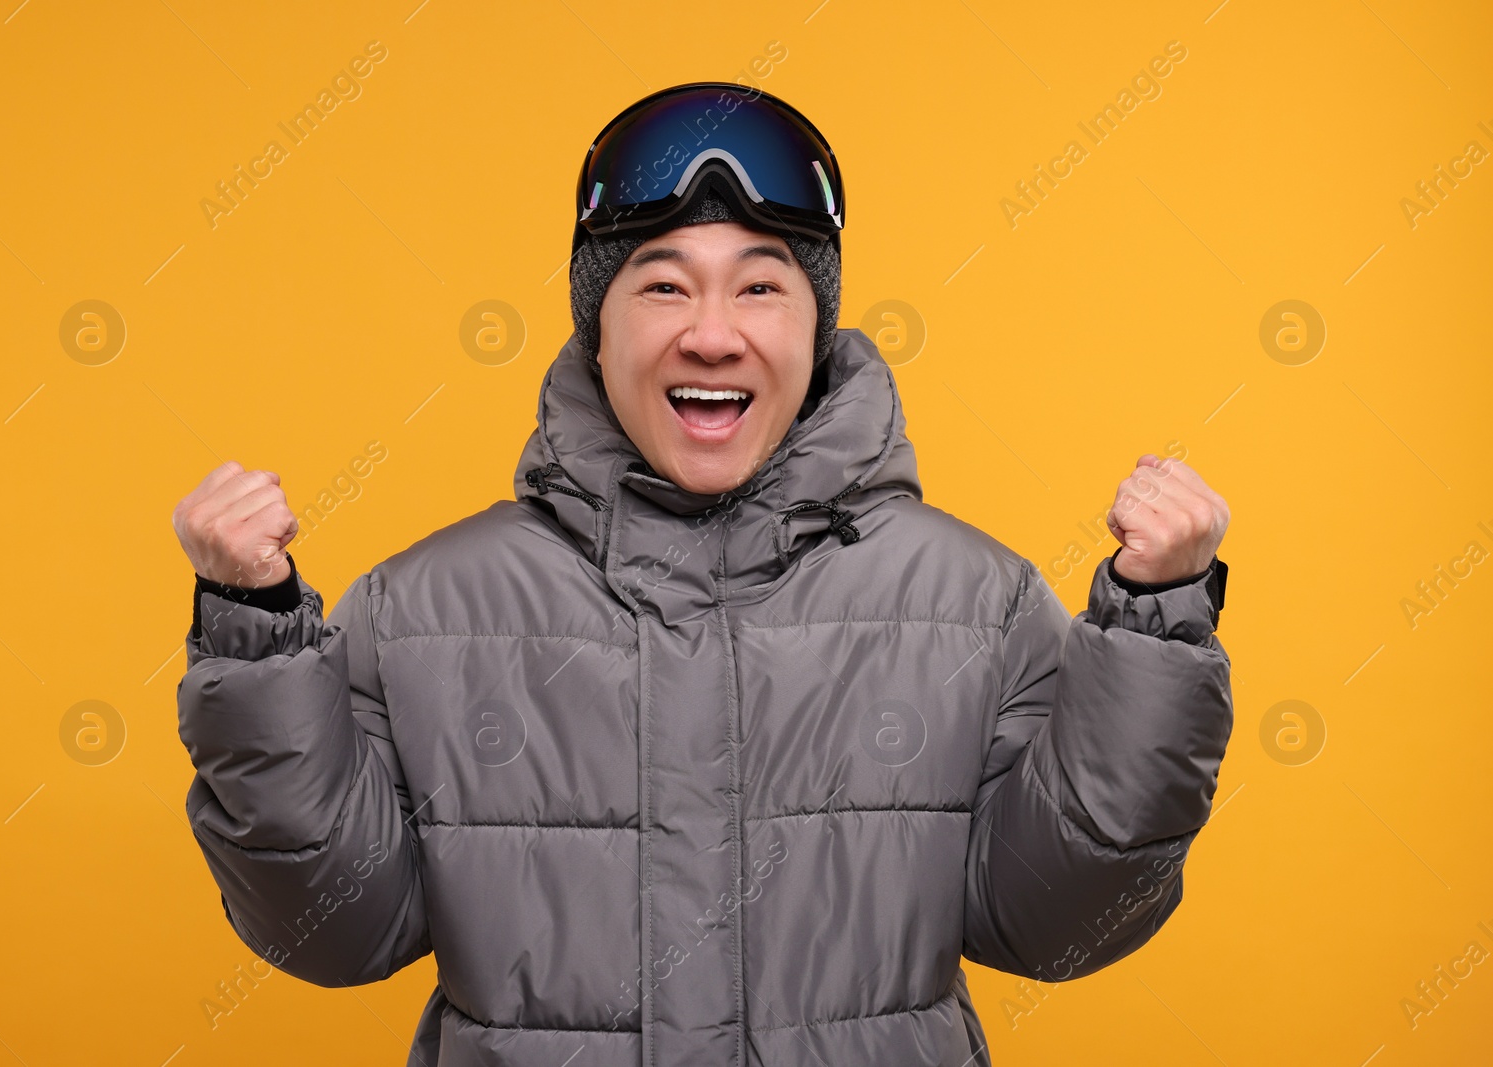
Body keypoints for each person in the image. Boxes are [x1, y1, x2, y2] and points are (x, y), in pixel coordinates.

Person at [171, 81, 1233, 1067]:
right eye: (664, 284)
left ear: (816, 327)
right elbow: (335, 930)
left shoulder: (973, 602)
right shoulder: (425, 609)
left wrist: (1151, 633)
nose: (713, 333)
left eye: (762, 285)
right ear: (598, 330)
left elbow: (1059, 924)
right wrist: (256, 636)